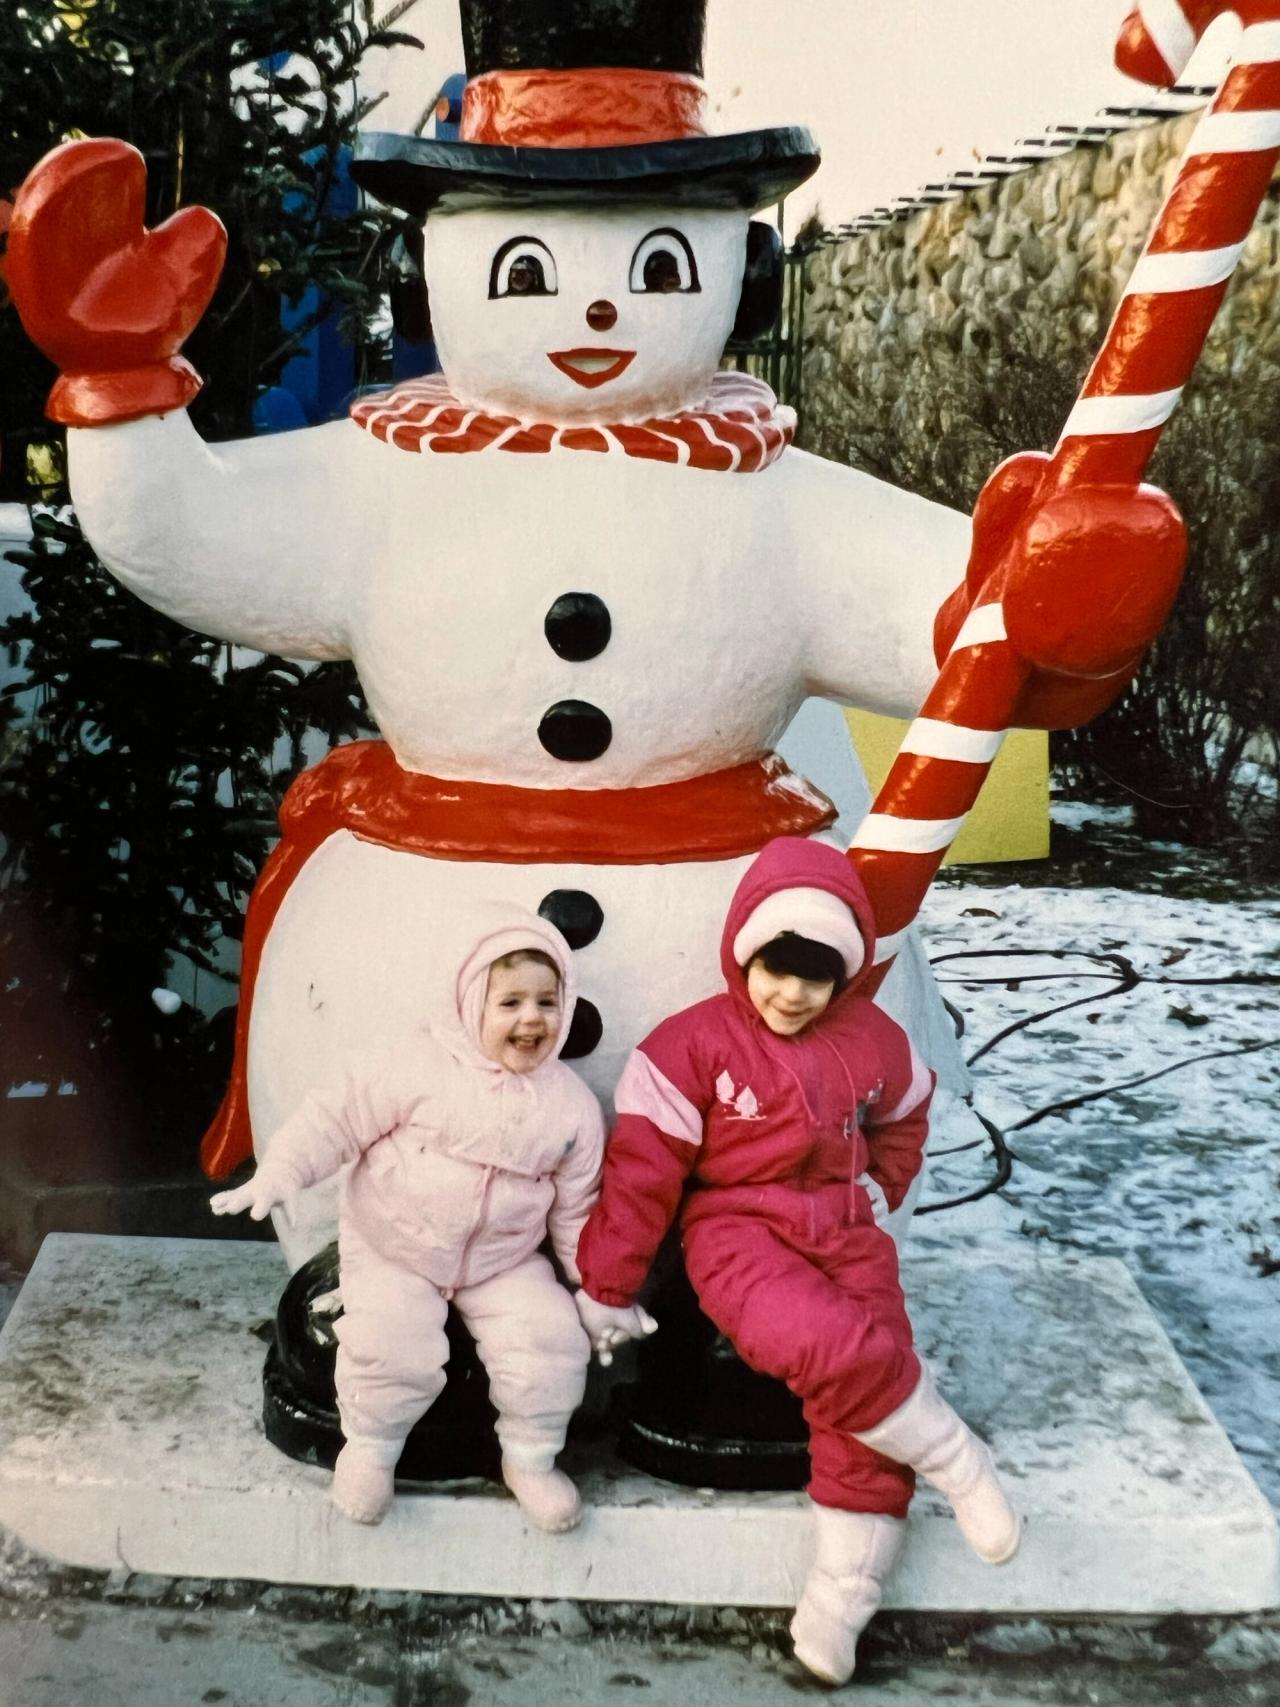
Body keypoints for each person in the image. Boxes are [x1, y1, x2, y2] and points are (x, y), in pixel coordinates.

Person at [574, 837, 1020, 1685]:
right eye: (776, 970)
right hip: (738, 1230)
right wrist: (607, 1282)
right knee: (819, 1343)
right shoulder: (692, 1044)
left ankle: (841, 1597)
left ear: (842, 976)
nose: (792, 993)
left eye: (815, 977)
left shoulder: (871, 1039)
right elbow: (643, 1172)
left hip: (848, 1227)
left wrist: (884, 1186)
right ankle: (958, 1457)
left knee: (871, 1367)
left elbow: (909, 1111)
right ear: (743, 952)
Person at [211, 906, 605, 1533]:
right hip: (394, 1246)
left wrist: (598, 1291)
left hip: (502, 1262)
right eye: (509, 1003)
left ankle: (530, 1460)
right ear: (471, 1001)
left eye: (546, 1002)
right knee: (390, 1343)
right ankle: (369, 1448)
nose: (531, 1018)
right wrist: (280, 1171)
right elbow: (334, 1117)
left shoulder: (570, 1109)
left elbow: (578, 1208)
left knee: (550, 1341)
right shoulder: (414, 1064)